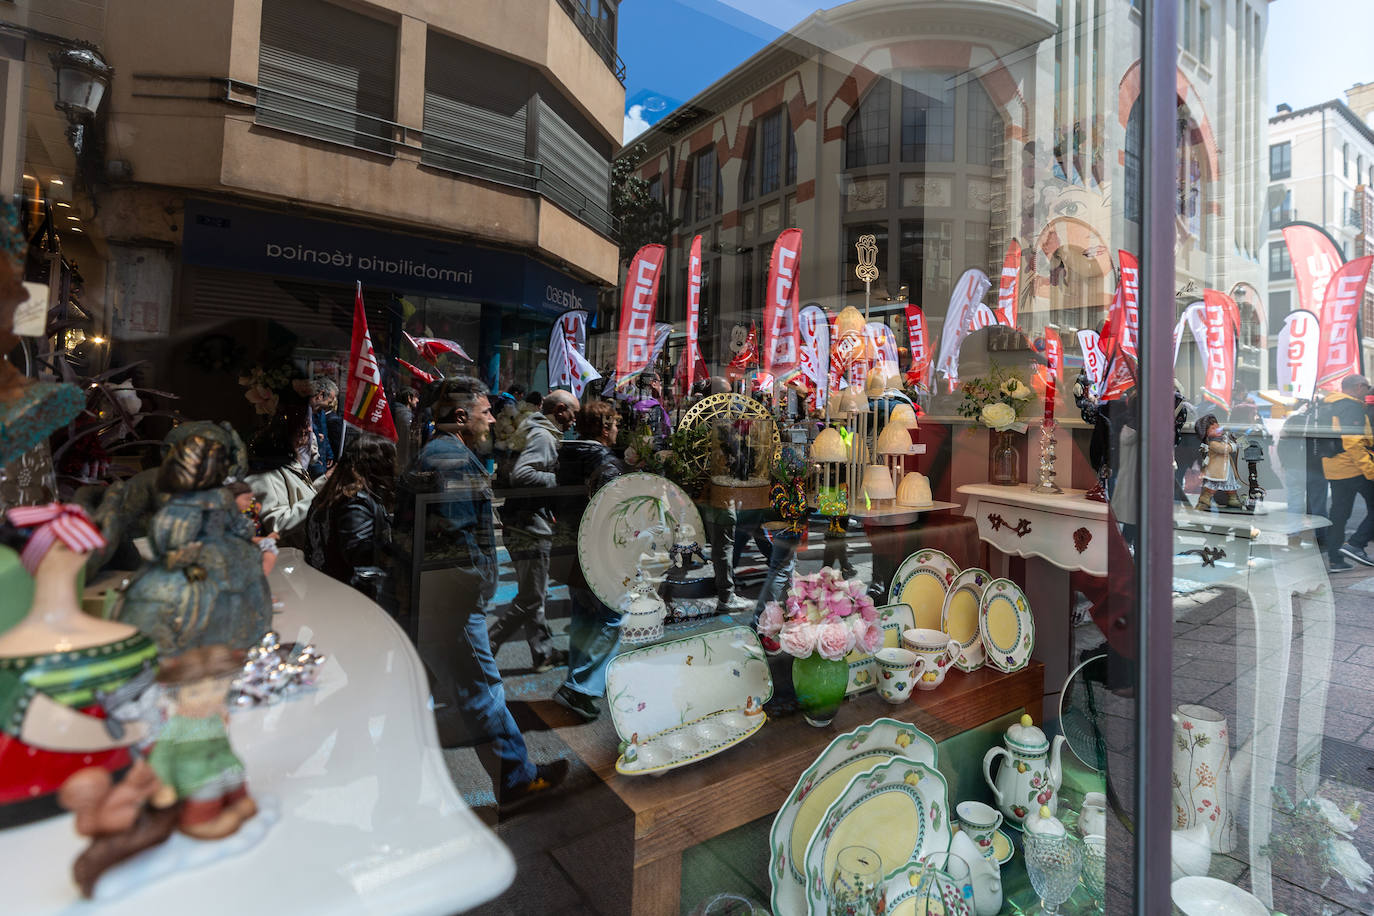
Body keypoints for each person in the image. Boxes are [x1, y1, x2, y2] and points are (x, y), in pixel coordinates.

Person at [404, 376, 567, 808]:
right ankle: (515, 779)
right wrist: (477, 585)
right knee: (483, 690)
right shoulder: (449, 458)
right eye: (485, 411)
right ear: (461, 417)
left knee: (455, 690)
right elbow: (453, 544)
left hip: (441, 602)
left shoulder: (447, 452)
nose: (492, 418)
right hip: (453, 606)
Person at [489, 389, 579, 672]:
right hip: (529, 525)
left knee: (534, 594)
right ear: (561, 409)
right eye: (573, 413)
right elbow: (523, 474)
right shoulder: (542, 435)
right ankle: (486, 648)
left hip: (522, 522)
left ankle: (542, 654)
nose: (575, 420)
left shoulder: (533, 428)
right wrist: (561, 480)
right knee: (531, 598)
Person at [549, 400, 626, 721]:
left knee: (584, 616)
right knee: (613, 616)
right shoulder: (604, 461)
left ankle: (577, 684)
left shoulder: (566, 454)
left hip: (569, 544)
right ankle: (579, 686)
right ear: (605, 428)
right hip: (598, 551)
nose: (618, 430)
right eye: (615, 424)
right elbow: (614, 510)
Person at [305, 433, 399, 613]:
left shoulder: (327, 497)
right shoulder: (354, 502)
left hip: (323, 593)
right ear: (377, 465)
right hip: (348, 603)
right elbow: (360, 554)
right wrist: (397, 550)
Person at [245, 396, 325, 549]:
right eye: (304, 424)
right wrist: (320, 498)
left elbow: (302, 494)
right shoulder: (266, 472)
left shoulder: (291, 462)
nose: (309, 430)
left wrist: (327, 481)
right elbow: (278, 523)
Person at [1317, 374, 1374, 570]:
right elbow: (1353, 442)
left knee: (1339, 514)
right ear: (1359, 386)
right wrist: (1370, 470)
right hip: (1353, 467)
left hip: (1333, 467)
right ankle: (1356, 544)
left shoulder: (1327, 404)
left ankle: (1335, 560)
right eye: (1367, 387)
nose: (1368, 391)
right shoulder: (1351, 406)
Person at [309, 378, 342, 478]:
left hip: (321, 459)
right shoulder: (306, 413)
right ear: (320, 395)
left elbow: (325, 434)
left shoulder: (321, 412)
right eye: (329, 401)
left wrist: (329, 453)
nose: (330, 404)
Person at [392, 387, 420, 470]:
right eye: (416, 397)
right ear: (409, 398)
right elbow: (405, 442)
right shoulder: (405, 416)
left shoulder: (395, 412)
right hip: (402, 463)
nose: (418, 400)